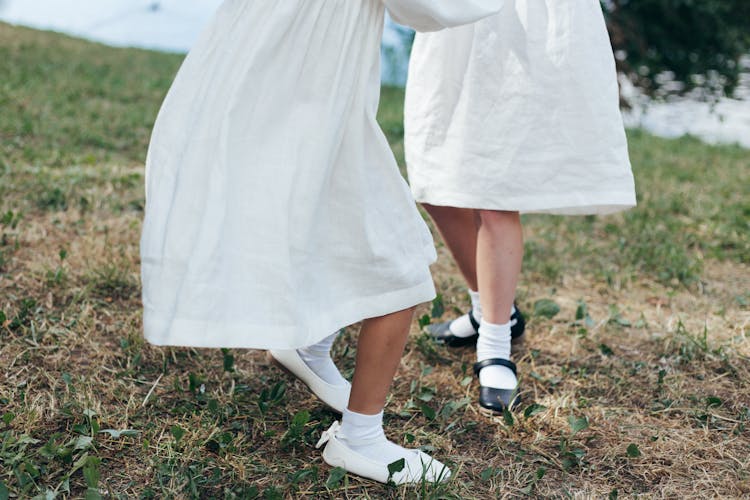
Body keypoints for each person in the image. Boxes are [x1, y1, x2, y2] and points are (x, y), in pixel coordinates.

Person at [140, 0, 504, 485]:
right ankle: (359, 438)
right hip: (313, 112)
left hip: (273, 99)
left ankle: (308, 345)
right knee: (399, 267)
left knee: (332, 232)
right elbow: (427, 8)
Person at [404, 0, 637, 412]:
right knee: (435, 181)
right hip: (455, 24)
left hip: (524, 25)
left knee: (497, 195)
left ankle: (494, 342)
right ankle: (492, 310)